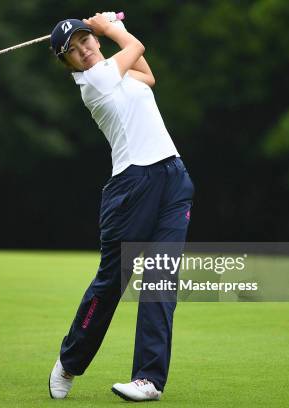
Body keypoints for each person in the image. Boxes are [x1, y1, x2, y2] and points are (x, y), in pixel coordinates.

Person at [47, 13, 195, 402]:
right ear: (67, 64)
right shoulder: (94, 81)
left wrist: (110, 31)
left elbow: (147, 76)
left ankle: (149, 379)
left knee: (161, 280)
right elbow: (136, 48)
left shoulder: (117, 72)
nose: (84, 50)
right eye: (73, 51)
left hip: (172, 177)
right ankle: (70, 361)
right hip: (132, 187)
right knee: (113, 282)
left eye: (85, 41)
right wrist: (108, 27)